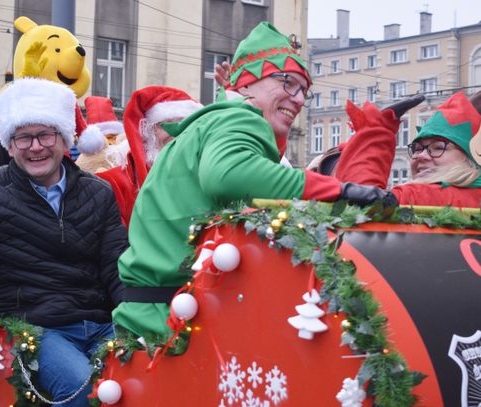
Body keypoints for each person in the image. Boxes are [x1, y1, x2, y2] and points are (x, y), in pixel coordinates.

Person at [112, 22, 396, 342]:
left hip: (153, 317)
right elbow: (227, 175)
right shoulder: (240, 116)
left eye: (304, 90)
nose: (299, 99)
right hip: (175, 325)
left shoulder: (212, 123)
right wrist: (339, 191)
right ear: (247, 84)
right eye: (287, 82)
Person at [0, 77, 128, 406]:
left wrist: (135, 322)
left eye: (45, 134)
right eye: (23, 137)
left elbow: (117, 267)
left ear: (64, 138)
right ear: (9, 145)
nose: (35, 146)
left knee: (144, 377)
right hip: (36, 329)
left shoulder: (98, 193)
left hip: (100, 324)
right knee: (81, 390)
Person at [80, 86, 203, 226]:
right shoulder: (114, 184)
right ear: (148, 131)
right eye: (167, 124)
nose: (176, 133)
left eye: (185, 125)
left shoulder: (204, 177)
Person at [334, 91, 481, 207]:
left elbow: (360, 207)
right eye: (417, 148)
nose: (421, 156)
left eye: (438, 148)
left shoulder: (421, 196)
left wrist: (375, 133)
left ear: (471, 159)